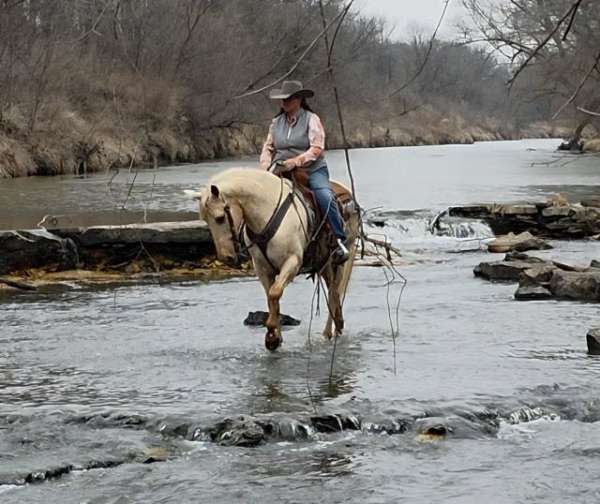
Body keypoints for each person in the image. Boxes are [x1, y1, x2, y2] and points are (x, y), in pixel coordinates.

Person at [259, 80, 349, 264]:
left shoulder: (311, 119)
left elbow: (317, 148)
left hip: (312, 169)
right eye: (283, 99)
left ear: (299, 100)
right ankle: (253, 243)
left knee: (324, 196)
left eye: (289, 99)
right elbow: (268, 147)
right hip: (280, 168)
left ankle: (339, 239)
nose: (284, 102)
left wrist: (296, 161)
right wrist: (265, 166)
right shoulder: (276, 123)